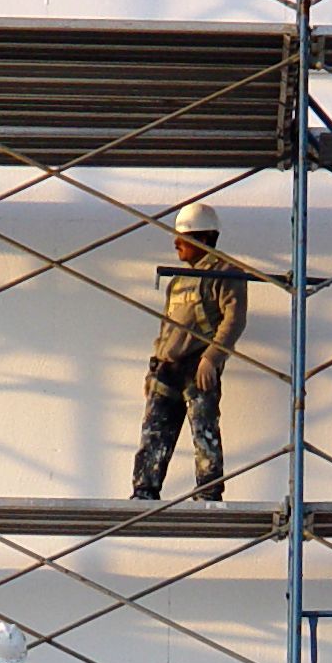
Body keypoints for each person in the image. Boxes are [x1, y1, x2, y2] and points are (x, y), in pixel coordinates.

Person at [131, 202, 248, 503]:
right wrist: (153, 366)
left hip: (198, 367)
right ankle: (145, 491)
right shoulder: (180, 279)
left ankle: (208, 492)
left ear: (204, 238)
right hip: (167, 367)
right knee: (155, 433)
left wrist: (212, 358)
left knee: (204, 430)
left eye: (184, 237)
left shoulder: (227, 273)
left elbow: (233, 320)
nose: (177, 243)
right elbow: (167, 326)